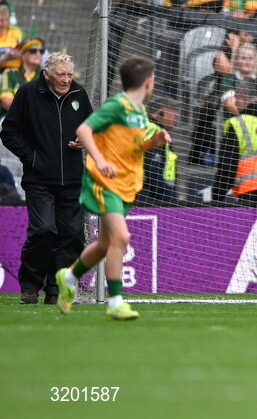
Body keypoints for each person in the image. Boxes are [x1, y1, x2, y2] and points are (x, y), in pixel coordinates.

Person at [52, 56, 167, 320]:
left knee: (105, 243)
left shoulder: (139, 112)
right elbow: (83, 130)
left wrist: (154, 142)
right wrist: (100, 160)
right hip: (105, 183)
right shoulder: (117, 105)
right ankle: (115, 301)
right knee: (121, 239)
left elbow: (133, 148)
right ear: (148, 83)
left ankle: (68, 278)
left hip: (126, 183)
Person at [1, 51, 92, 305]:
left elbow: (90, 127)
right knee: (42, 230)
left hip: (73, 179)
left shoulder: (79, 94)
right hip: (39, 179)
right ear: (47, 73)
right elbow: (8, 132)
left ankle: (56, 288)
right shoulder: (28, 93)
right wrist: (32, 158)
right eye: (61, 75)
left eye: (69, 75)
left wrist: (84, 141)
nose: (66, 80)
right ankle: (30, 286)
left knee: (72, 234)